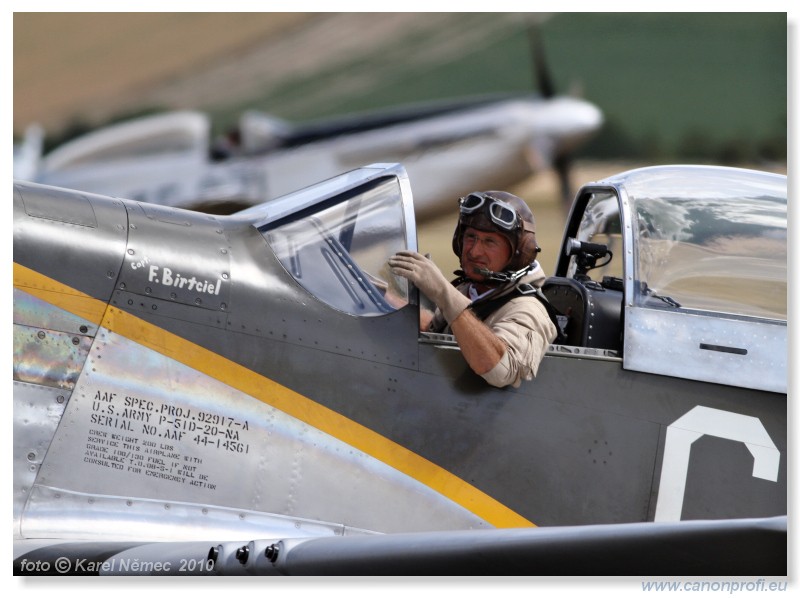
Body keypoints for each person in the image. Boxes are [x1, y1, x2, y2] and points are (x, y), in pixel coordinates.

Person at [389, 191, 557, 388]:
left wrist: (444, 293)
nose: (474, 251)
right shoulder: (471, 289)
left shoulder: (527, 308)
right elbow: (434, 330)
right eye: (471, 237)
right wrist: (370, 289)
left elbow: (501, 370)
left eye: (489, 242)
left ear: (518, 253)